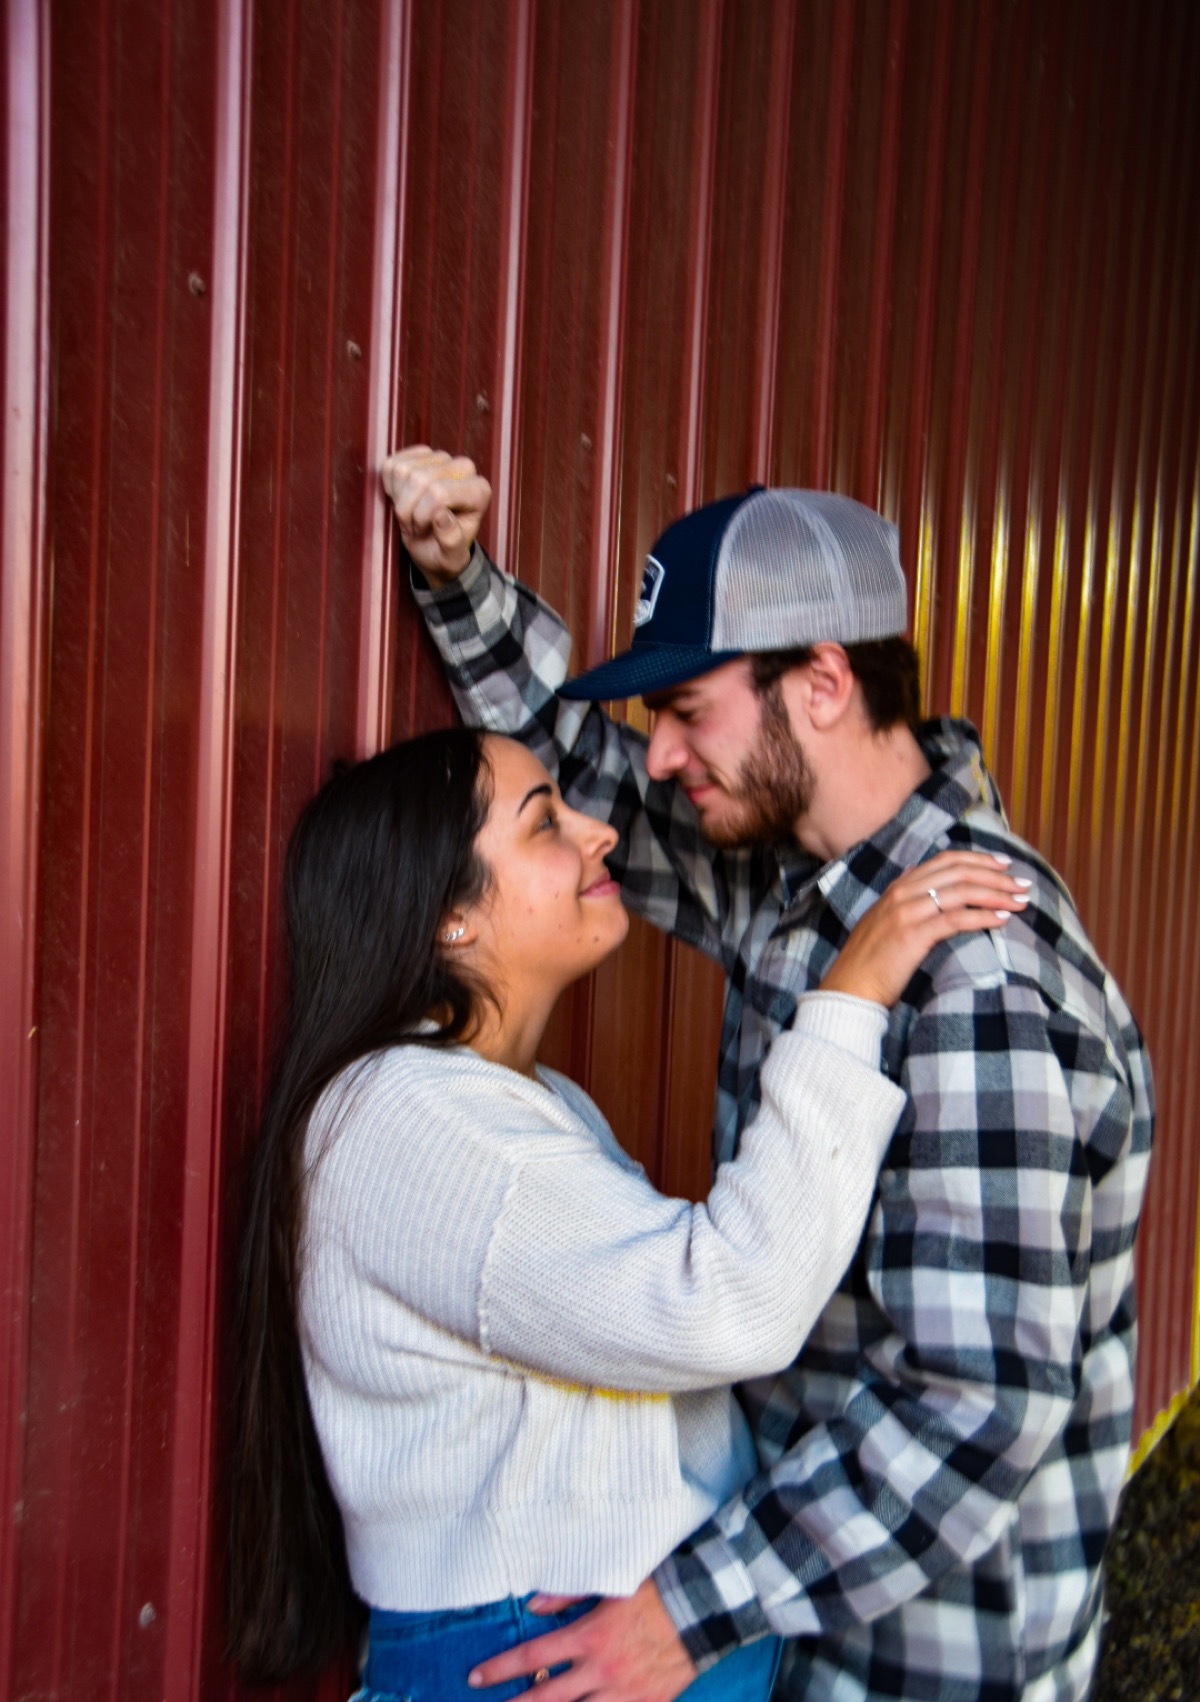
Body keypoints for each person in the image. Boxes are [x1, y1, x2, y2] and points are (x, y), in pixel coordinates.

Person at [380, 447, 1155, 1702]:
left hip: (931, 1655)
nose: (664, 755)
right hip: (816, 1613)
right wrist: (459, 576)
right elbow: (578, 783)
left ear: (825, 681)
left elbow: (974, 1408)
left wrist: (684, 1619)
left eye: (690, 709)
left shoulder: (981, 984)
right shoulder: (799, 886)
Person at [226, 724, 1023, 1700]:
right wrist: (851, 993)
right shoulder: (415, 1123)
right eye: (544, 824)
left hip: (593, 1631)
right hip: (536, 1648)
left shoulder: (514, 1103)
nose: (600, 834)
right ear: (450, 919)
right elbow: (727, 1302)